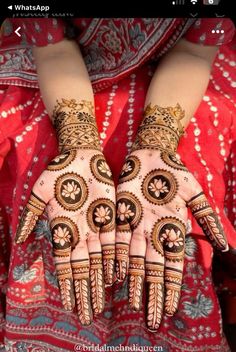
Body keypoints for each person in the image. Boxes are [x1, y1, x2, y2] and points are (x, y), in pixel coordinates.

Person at [0, 18, 235, 351]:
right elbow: (52, 48)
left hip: (184, 68)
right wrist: (78, 143)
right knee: (44, 172)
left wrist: (157, 142)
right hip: (56, 66)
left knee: (180, 191)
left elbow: (196, 50)